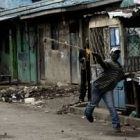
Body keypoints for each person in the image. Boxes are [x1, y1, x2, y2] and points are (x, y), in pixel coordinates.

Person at [84, 47, 133, 132]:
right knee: (93, 104)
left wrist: (128, 75)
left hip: (107, 89)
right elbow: (102, 64)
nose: (116, 55)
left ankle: (116, 126)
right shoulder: (108, 62)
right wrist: (98, 57)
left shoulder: (119, 67)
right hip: (98, 87)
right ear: (111, 54)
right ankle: (87, 113)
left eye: (117, 53)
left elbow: (119, 77)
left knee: (111, 107)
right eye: (114, 53)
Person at [78, 38, 91, 102]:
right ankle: (81, 97)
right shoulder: (82, 50)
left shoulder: (91, 50)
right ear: (85, 43)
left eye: (88, 42)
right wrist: (82, 59)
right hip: (83, 68)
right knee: (83, 83)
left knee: (90, 83)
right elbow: (79, 59)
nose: (87, 43)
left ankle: (90, 97)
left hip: (89, 68)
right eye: (86, 42)